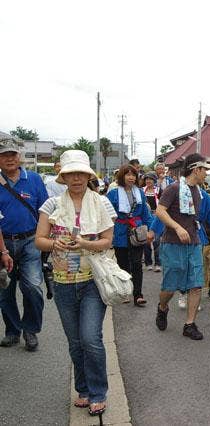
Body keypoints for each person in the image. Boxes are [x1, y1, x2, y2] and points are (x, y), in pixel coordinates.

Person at [34, 150, 114, 416]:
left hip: (93, 280)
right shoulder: (51, 205)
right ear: (64, 177)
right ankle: (82, 389)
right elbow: (39, 240)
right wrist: (53, 243)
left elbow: (107, 241)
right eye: (71, 174)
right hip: (63, 281)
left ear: (88, 176)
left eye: (81, 173)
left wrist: (85, 244)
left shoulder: (102, 203)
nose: (76, 178)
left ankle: (98, 392)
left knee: (91, 338)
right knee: (75, 341)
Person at [155, 153, 210, 340]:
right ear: (196, 169)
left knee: (196, 285)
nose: (206, 174)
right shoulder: (173, 188)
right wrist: (177, 227)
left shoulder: (200, 192)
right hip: (172, 243)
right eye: (205, 170)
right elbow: (159, 211)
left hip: (194, 243)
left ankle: (189, 324)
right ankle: (162, 307)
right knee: (170, 287)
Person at [0, 136, 48, 351]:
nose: (9, 159)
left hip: (30, 241)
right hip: (2, 243)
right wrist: (2, 250)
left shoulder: (35, 179)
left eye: (12, 154)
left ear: (19, 157)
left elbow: (46, 211)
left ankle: (30, 329)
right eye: (4, 155)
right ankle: (12, 331)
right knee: (4, 291)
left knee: (33, 288)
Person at [107, 165, 153, 307]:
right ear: (122, 176)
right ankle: (125, 292)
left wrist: (150, 230)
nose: (131, 177)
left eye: (133, 175)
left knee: (137, 263)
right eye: (128, 174)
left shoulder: (140, 192)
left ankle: (138, 294)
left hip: (137, 231)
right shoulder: (113, 194)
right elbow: (107, 215)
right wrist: (107, 236)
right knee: (123, 264)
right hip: (119, 231)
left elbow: (146, 213)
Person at [142, 173, 161, 272]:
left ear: (154, 181)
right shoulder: (142, 190)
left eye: (150, 179)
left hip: (156, 216)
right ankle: (148, 263)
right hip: (145, 217)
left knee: (157, 240)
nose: (148, 181)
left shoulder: (158, 190)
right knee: (146, 241)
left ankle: (158, 263)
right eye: (146, 179)